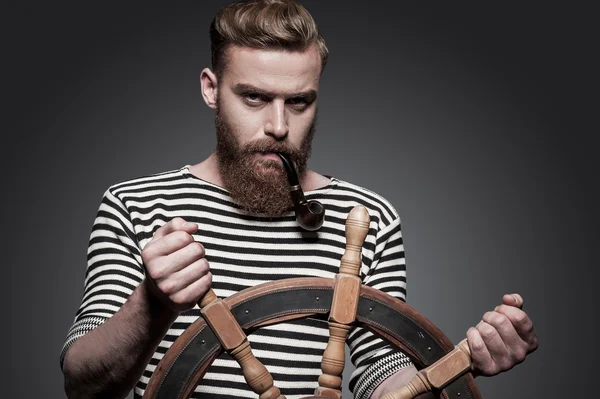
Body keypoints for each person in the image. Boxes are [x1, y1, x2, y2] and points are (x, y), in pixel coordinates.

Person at [60, 1, 538, 398]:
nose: (278, 127)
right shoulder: (134, 205)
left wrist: (458, 364)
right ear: (211, 89)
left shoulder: (368, 218)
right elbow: (83, 384)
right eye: (253, 98)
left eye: (299, 102)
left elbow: (379, 378)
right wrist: (152, 304)